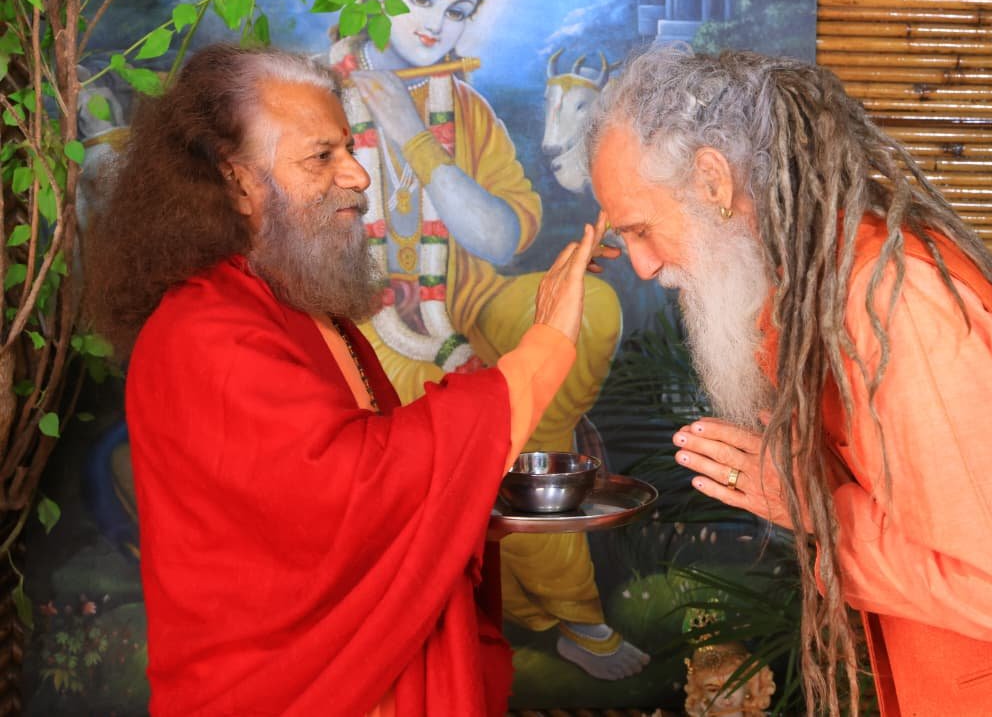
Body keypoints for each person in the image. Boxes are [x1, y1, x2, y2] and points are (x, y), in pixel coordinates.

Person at [584, 46, 992, 716]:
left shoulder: (894, 302)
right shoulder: (821, 288)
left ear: (713, 181)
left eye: (641, 229)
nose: (642, 264)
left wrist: (810, 504)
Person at [84, 43, 607, 715]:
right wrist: (545, 347)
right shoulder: (204, 332)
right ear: (238, 181)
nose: (358, 175)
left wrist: (465, 497)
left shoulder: (297, 305)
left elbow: (383, 499)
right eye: (322, 156)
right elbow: (360, 490)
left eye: (350, 149)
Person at [328, 0, 646, 678]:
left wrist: (413, 135)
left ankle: (533, 441)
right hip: (356, 328)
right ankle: (557, 606)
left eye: (459, 10)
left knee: (590, 307)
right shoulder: (316, 100)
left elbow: (500, 239)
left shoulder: (464, 111)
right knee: (483, 411)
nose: (437, 26)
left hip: (469, 310)